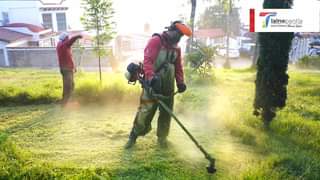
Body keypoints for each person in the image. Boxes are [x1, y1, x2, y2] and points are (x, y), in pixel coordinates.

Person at [125, 21, 192, 149]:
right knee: (145, 111)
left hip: (168, 85)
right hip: (152, 83)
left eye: (181, 36)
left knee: (167, 113)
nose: (179, 38)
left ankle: (162, 139)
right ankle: (133, 137)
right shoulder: (156, 40)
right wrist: (150, 77)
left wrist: (180, 82)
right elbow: (148, 61)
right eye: (178, 34)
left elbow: (178, 67)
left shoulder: (176, 47)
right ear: (171, 30)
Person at [56, 32, 82, 105]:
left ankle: (68, 100)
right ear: (65, 39)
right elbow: (71, 41)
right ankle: (65, 102)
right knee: (69, 86)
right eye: (67, 38)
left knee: (70, 85)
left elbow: (69, 58)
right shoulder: (64, 45)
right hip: (67, 69)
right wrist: (78, 36)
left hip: (65, 68)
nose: (68, 39)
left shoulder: (59, 45)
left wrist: (74, 67)